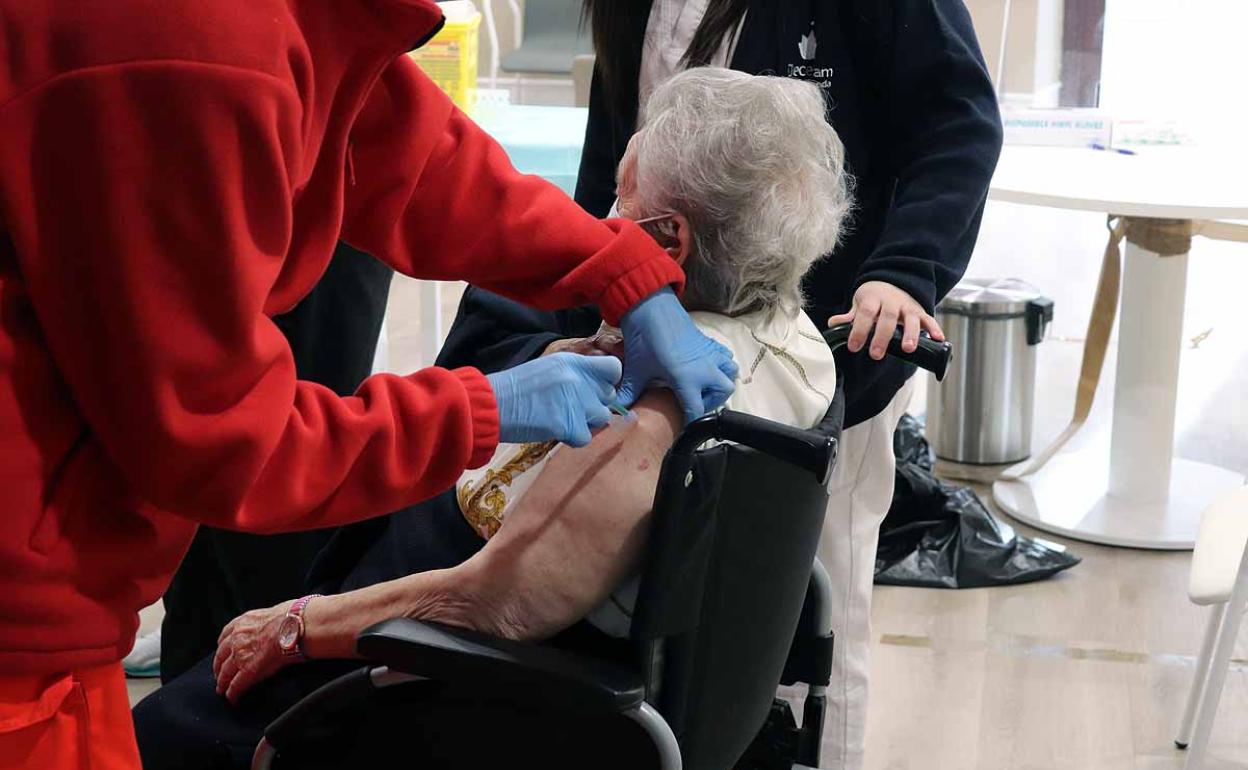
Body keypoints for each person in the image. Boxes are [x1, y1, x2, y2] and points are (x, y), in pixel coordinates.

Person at [0, 2, 738, 768]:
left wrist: (621, 271)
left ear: (673, 235)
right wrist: (480, 407)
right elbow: (221, 437)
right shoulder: (186, 47)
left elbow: (400, 144)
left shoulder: (283, 28)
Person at [134, 67, 850, 770]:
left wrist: (295, 627)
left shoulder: (656, 414)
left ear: (669, 240)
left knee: (162, 736)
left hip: (440, 677)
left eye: (618, 200)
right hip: (452, 609)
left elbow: (493, 602)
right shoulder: (802, 347)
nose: (602, 220)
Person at [497, 3, 996, 768]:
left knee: (808, 598)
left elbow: (959, 124)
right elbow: (612, 165)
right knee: (665, 600)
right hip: (660, 336)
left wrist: (906, 273)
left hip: (818, 345)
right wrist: (575, 305)